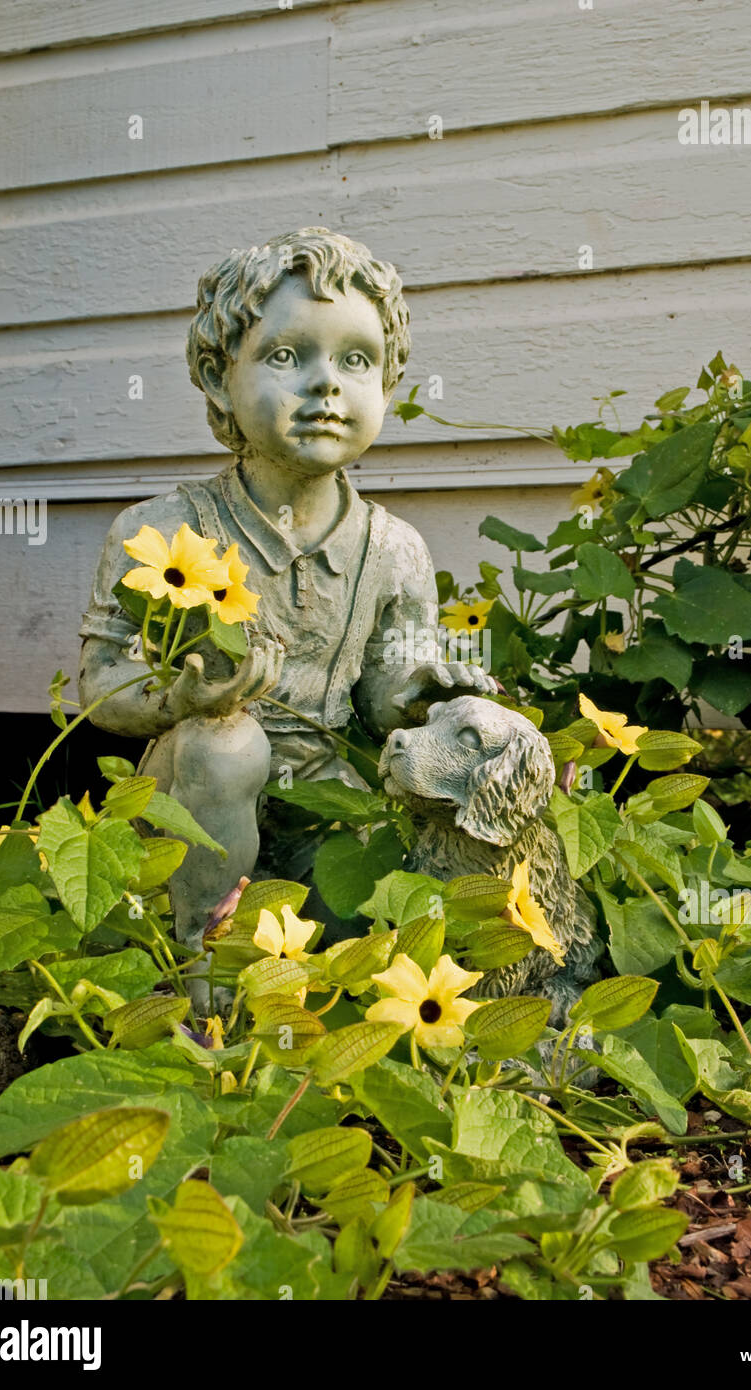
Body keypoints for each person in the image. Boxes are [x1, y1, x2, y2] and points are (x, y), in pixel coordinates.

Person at [78, 228, 495, 994]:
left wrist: (421, 688)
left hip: (323, 803)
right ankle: (194, 972)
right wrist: (180, 700)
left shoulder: (394, 549)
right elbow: (99, 682)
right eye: (284, 356)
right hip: (192, 800)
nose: (325, 385)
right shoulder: (163, 530)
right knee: (225, 743)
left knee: (373, 945)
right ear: (215, 374)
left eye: (356, 360)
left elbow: (381, 697)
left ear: (389, 384)